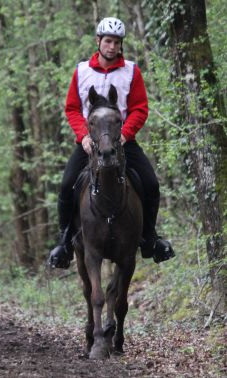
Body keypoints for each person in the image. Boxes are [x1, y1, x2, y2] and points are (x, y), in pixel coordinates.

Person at [48, 17, 175, 268]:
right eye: (108, 41)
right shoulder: (82, 71)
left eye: (117, 42)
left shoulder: (131, 71)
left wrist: (126, 134)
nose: (112, 46)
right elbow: (72, 108)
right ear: (98, 41)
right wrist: (83, 137)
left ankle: (150, 238)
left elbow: (140, 109)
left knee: (150, 183)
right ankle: (64, 243)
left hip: (123, 142)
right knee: (65, 187)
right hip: (89, 144)